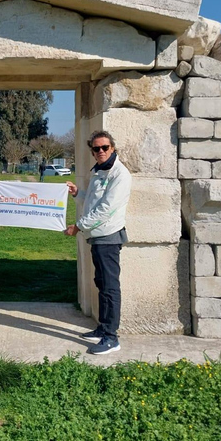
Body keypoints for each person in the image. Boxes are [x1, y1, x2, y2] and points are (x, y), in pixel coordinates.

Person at [65, 130, 132, 355]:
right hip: (97, 237)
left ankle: (111, 338)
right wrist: (78, 194)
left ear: (113, 148)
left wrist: (78, 227)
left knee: (110, 287)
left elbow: (106, 209)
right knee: (102, 283)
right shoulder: (98, 172)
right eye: (96, 148)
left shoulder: (119, 174)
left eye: (105, 147)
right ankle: (103, 328)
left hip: (108, 237)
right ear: (92, 151)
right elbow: (94, 201)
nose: (101, 151)